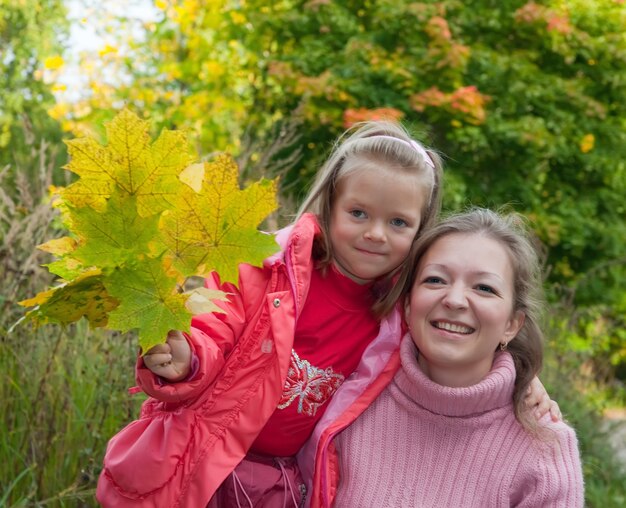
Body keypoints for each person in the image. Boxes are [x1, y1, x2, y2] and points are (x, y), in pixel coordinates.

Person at [96, 123, 553, 508]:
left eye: (398, 223)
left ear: (419, 231)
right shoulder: (265, 270)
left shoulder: (398, 313)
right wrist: (187, 358)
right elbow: (215, 325)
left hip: (279, 487)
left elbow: (456, 347)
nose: (375, 234)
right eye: (358, 213)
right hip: (195, 461)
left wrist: (518, 375)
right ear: (330, 205)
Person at [309, 208, 584, 507]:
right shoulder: (349, 393)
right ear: (409, 306)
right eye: (436, 280)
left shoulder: (543, 449)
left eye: (484, 288)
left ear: (512, 324)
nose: (454, 300)